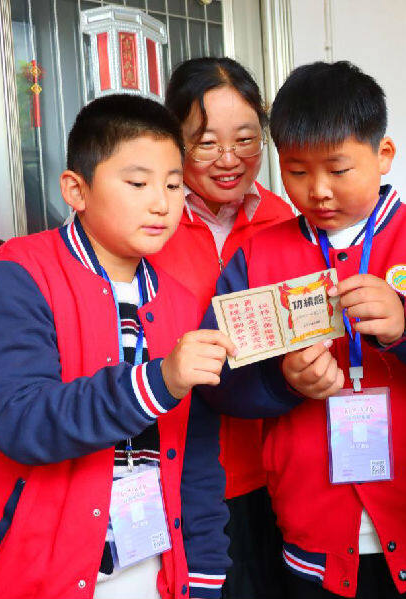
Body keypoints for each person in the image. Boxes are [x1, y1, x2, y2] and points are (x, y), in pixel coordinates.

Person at [199, 60, 406, 598]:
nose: (318, 191)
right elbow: (217, 378)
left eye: (338, 169)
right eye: (296, 171)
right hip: (313, 531)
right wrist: (283, 382)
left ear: (383, 156)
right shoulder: (255, 256)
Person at [0, 94, 236, 599]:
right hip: (35, 572)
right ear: (76, 190)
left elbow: (196, 455)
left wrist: (204, 573)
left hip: (154, 571)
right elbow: (22, 421)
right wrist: (158, 380)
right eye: (138, 183)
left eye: (172, 185)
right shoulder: (19, 275)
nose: (162, 204)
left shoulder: (183, 303)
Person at [151, 56, 294, 599]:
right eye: (206, 143)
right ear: (174, 140)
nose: (230, 160)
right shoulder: (150, 224)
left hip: (279, 471)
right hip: (181, 475)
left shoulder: (287, 221)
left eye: (248, 139)